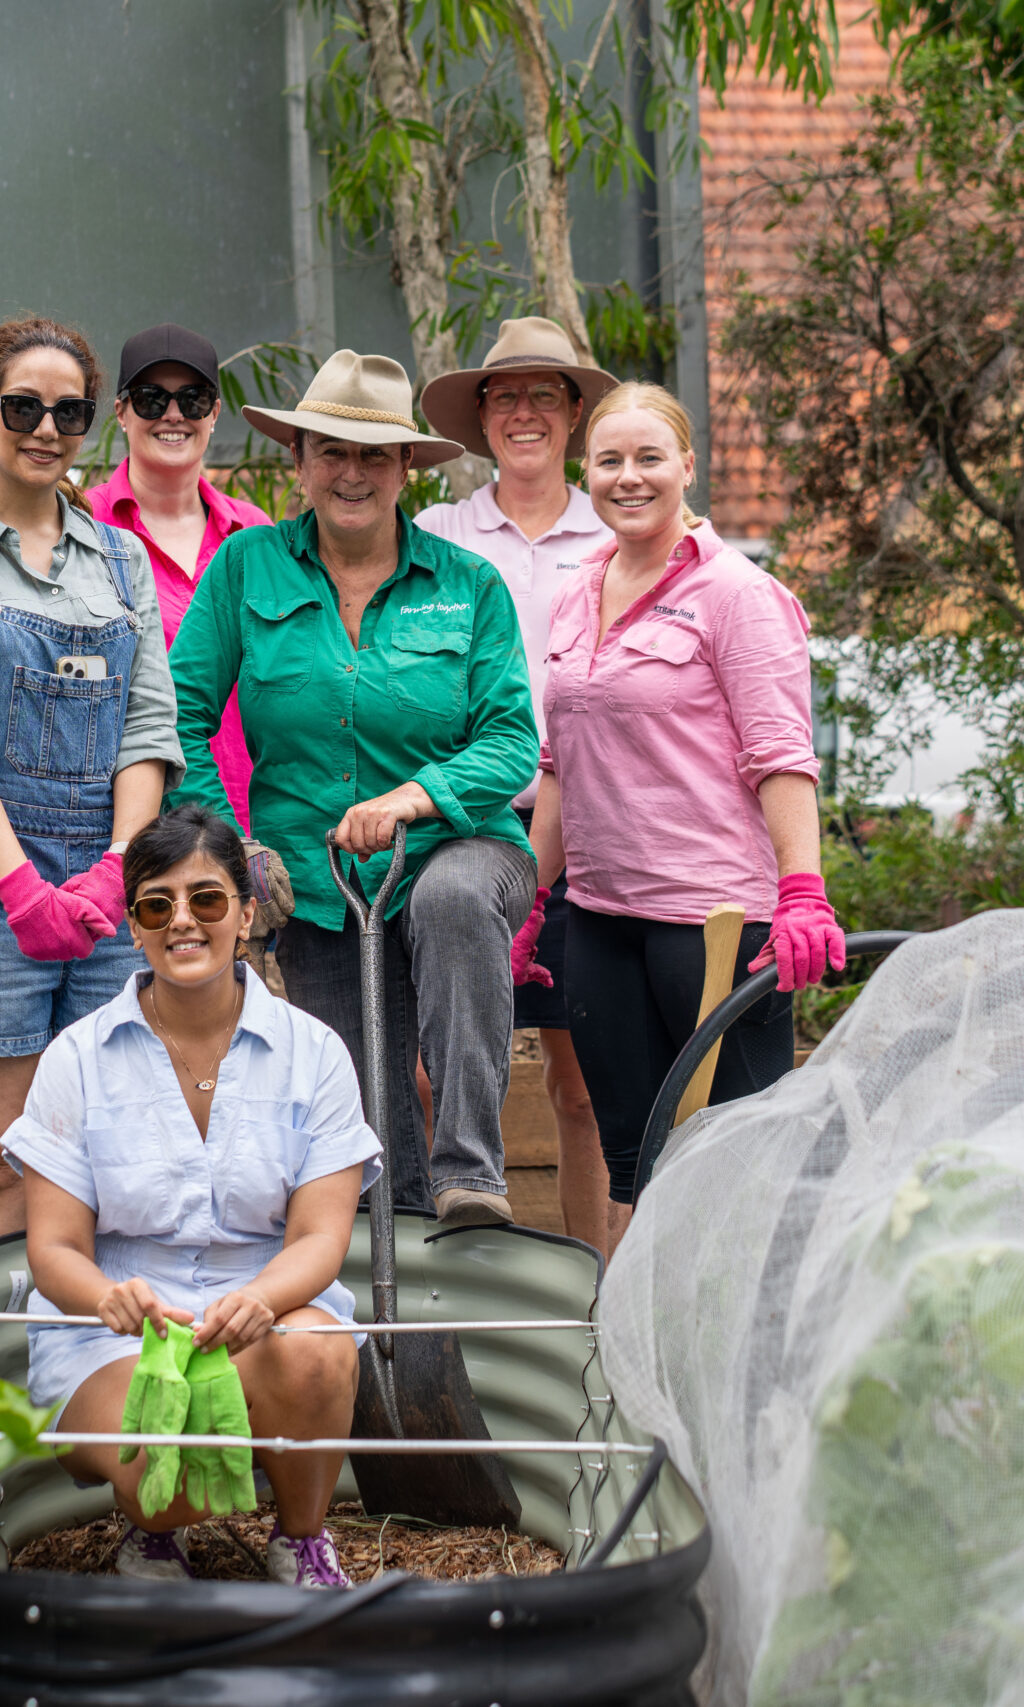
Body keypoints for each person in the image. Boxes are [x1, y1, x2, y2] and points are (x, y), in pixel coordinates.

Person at [169, 349, 538, 1227]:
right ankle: (411, 1346)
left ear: (407, 466)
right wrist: (234, 845)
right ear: (297, 461)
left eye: (374, 454)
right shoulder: (245, 569)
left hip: (462, 845)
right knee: (369, 1138)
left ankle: (472, 1169)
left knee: (448, 895)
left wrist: (413, 798)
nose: (351, 472)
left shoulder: (468, 586)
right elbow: (175, 716)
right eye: (329, 450)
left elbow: (512, 739)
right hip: (316, 880)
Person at [6, 806, 378, 1588]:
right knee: (160, 1449)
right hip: (121, 1336)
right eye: (156, 904)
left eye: (207, 899)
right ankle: (155, 1532)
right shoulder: (77, 1058)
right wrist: (109, 1296)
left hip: (263, 1320)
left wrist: (262, 1299)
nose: (183, 921)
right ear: (133, 926)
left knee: (313, 1352)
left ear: (246, 913)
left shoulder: (313, 1054)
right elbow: (54, 1248)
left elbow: (319, 1238)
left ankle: (302, 1538)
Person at [0, 315, 181, 1278]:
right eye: (23, 407)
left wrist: (112, 872)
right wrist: (20, 886)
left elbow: (148, 729)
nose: (45, 429)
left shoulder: (121, 561)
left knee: (106, 1151)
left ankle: (98, 1379)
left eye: (69, 412)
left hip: (105, 887)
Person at [529, 382, 845, 1262]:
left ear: (688, 468)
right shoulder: (576, 591)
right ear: (583, 472)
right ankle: (637, 1372)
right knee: (633, 1169)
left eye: (648, 458)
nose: (629, 478)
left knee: (737, 1166)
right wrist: (530, 898)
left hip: (714, 927)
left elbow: (781, 755)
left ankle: (748, 1366)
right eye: (609, 461)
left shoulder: (739, 596)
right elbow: (560, 764)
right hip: (599, 921)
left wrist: (803, 891)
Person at [414, 317, 617, 1251]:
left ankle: (593, 1306)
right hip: (468, 826)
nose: (525, 412)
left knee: (581, 1083)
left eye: (546, 394)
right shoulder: (436, 534)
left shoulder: (621, 526)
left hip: (605, 835)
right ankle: (444, 1298)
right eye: (506, 395)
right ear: (481, 416)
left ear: (575, 412)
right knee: (433, 1071)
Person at [89, 324, 272, 830]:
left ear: (214, 414)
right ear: (121, 412)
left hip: (243, 815)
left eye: (193, 400)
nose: (173, 415)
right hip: (120, 820)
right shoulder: (82, 527)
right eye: (152, 399)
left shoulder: (256, 533)